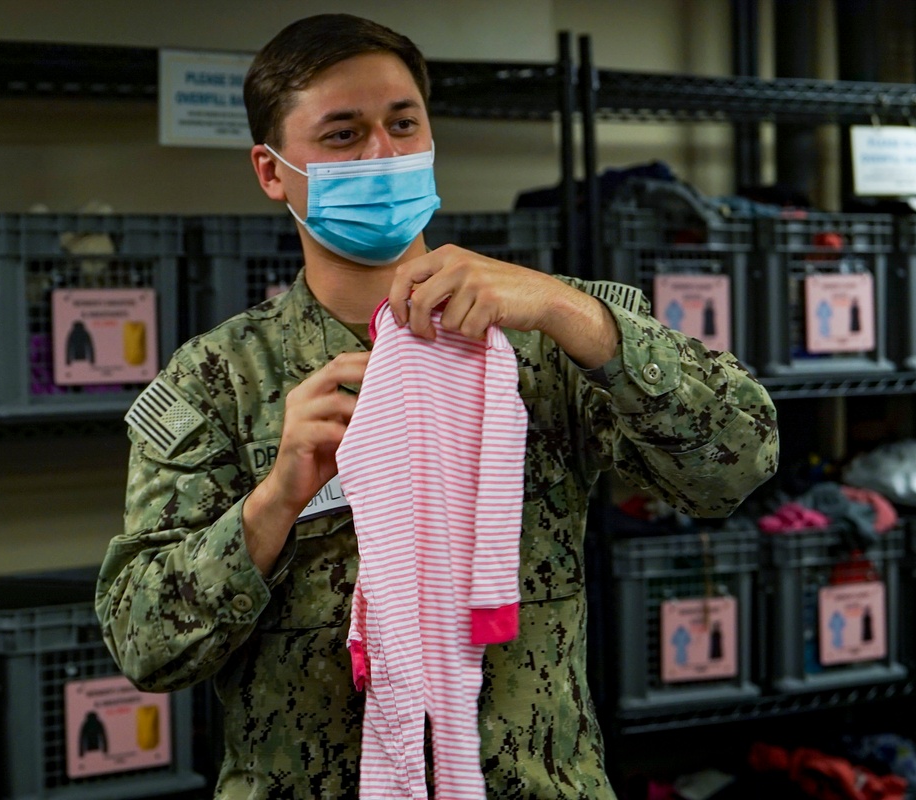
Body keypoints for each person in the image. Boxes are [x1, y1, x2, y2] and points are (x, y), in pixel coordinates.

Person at [96, 13, 778, 799]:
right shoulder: (217, 379)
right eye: (344, 136)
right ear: (272, 170)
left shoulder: (546, 334)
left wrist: (575, 315)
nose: (383, 154)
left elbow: (739, 464)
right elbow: (143, 646)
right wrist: (275, 500)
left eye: (402, 123)